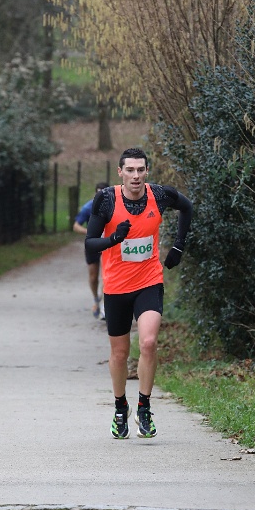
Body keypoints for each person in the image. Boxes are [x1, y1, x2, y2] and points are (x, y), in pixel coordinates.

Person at [85, 147, 192, 439]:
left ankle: (144, 406)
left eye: (140, 170)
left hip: (149, 281)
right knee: (119, 354)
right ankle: (121, 406)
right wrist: (113, 239)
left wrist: (178, 247)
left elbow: (187, 208)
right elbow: (90, 243)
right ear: (120, 172)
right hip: (116, 287)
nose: (135, 175)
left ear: (147, 171)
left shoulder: (159, 195)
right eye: (130, 170)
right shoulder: (106, 199)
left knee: (148, 342)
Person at [73, 181, 109, 319]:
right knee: (93, 277)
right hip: (93, 243)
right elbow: (76, 226)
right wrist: (89, 232)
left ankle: (105, 307)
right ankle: (96, 299)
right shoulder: (88, 207)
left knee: (106, 275)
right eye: (99, 193)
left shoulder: (115, 206)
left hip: (108, 244)